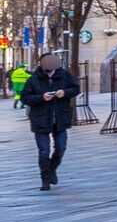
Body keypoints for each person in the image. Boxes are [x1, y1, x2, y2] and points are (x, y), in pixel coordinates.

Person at [18, 48, 79, 188]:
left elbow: (75, 88)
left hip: (60, 118)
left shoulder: (64, 75)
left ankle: (51, 169)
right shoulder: (33, 79)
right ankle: (45, 180)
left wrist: (64, 93)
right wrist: (41, 98)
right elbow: (25, 98)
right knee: (44, 151)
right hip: (40, 118)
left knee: (61, 147)